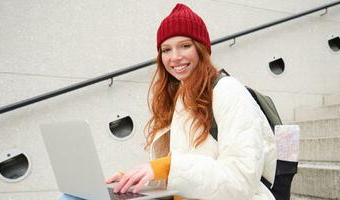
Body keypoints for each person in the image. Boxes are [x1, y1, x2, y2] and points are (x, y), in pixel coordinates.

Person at [60, 3, 276, 200]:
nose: (174, 57)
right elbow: (182, 177)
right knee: (72, 197)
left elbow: (241, 180)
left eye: (184, 46)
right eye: (166, 49)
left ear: (201, 49)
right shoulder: (179, 96)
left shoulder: (228, 91)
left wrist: (166, 166)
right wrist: (136, 178)